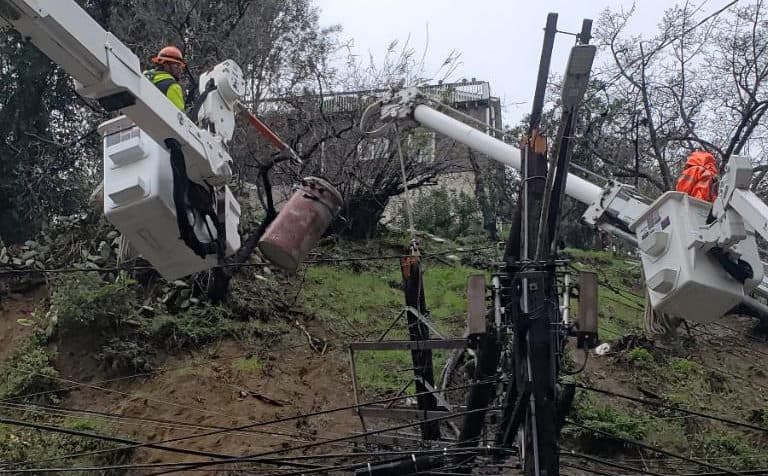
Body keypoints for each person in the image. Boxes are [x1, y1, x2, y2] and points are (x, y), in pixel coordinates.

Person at [144, 46, 187, 112]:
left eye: (181, 66)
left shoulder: (145, 78)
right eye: (177, 65)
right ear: (165, 65)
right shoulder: (173, 86)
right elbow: (179, 115)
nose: (180, 70)